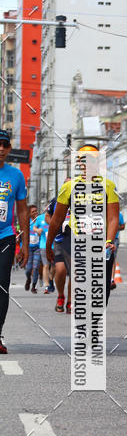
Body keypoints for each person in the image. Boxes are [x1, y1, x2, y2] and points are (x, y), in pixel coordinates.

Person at [46, 146, 120, 307]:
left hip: (101, 243)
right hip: (77, 240)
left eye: (93, 160)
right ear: (80, 163)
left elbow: (114, 218)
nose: (89, 164)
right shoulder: (68, 187)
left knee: (101, 291)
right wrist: (48, 245)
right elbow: (56, 220)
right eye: (85, 160)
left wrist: (109, 240)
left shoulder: (108, 186)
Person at [0, 129, 28, 353]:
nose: (1, 148)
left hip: (5, 237)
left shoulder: (16, 176)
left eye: (4, 144)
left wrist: (25, 244)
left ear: (9, 148)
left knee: (2, 287)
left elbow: (22, 211)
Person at [25, 204, 42, 293]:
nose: (35, 212)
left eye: (36, 210)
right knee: (28, 269)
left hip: (37, 247)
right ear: (29, 213)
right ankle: (28, 278)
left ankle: (34, 286)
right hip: (29, 248)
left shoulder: (39, 220)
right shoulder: (27, 222)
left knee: (35, 268)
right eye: (33, 211)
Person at [110, 210, 126, 289]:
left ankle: (112, 280)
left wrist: (114, 227)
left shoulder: (119, 214)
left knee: (112, 258)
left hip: (114, 239)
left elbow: (123, 226)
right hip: (101, 239)